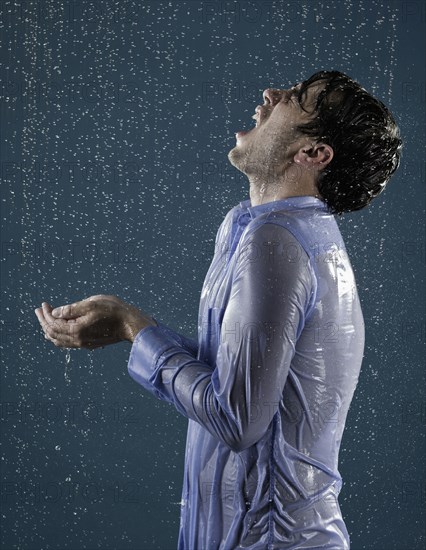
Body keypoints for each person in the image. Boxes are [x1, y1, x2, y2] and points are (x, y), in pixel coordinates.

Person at [35, 70, 402, 549]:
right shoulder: (254, 227)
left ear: (313, 154)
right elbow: (243, 385)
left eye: (296, 99)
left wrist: (132, 327)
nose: (271, 94)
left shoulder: (278, 240)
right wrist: (134, 329)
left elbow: (236, 418)